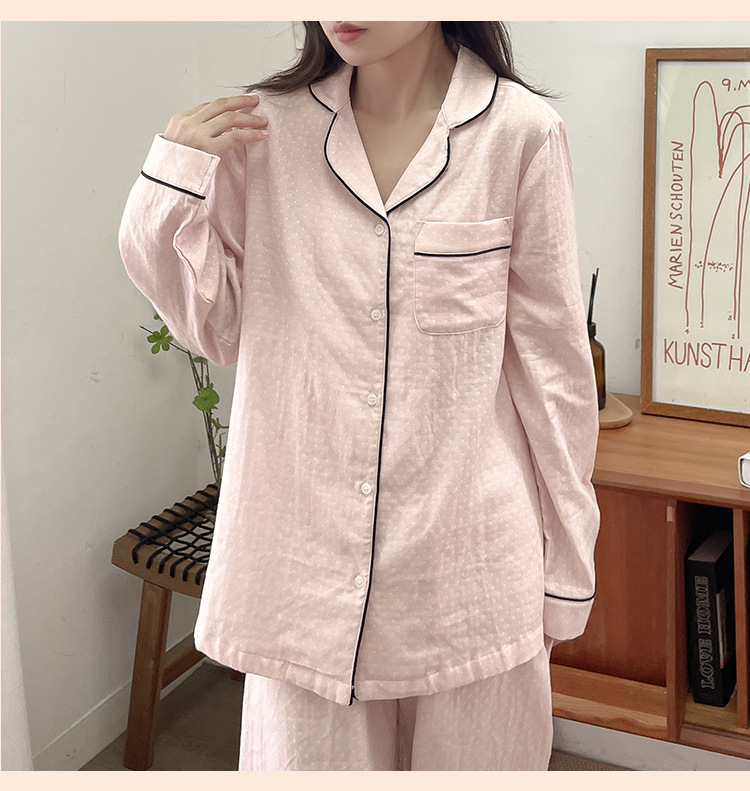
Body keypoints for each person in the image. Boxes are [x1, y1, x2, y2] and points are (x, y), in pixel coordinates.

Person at [119, 21, 601, 771]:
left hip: (469, 571)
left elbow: (554, 369)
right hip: (303, 579)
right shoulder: (266, 134)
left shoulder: (520, 134)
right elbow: (215, 328)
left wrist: (568, 567)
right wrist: (168, 188)